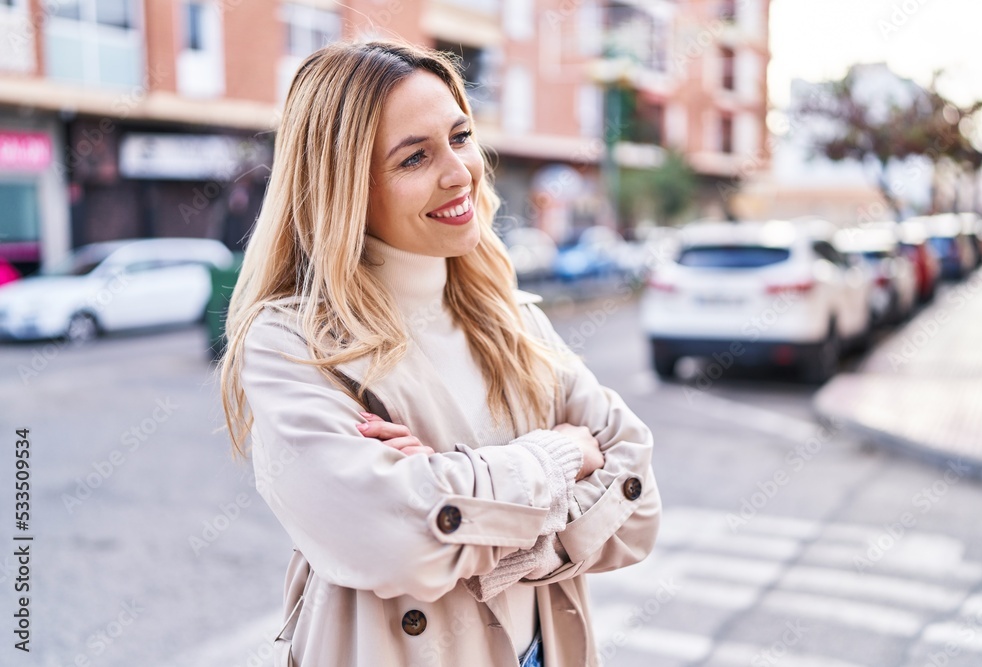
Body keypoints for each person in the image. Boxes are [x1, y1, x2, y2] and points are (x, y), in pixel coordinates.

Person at [219, 39, 660, 667]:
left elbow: (639, 504)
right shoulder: (294, 344)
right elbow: (395, 541)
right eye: (414, 158)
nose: (459, 172)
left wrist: (454, 498)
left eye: (460, 136)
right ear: (345, 188)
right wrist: (564, 456)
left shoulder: (512, 317)